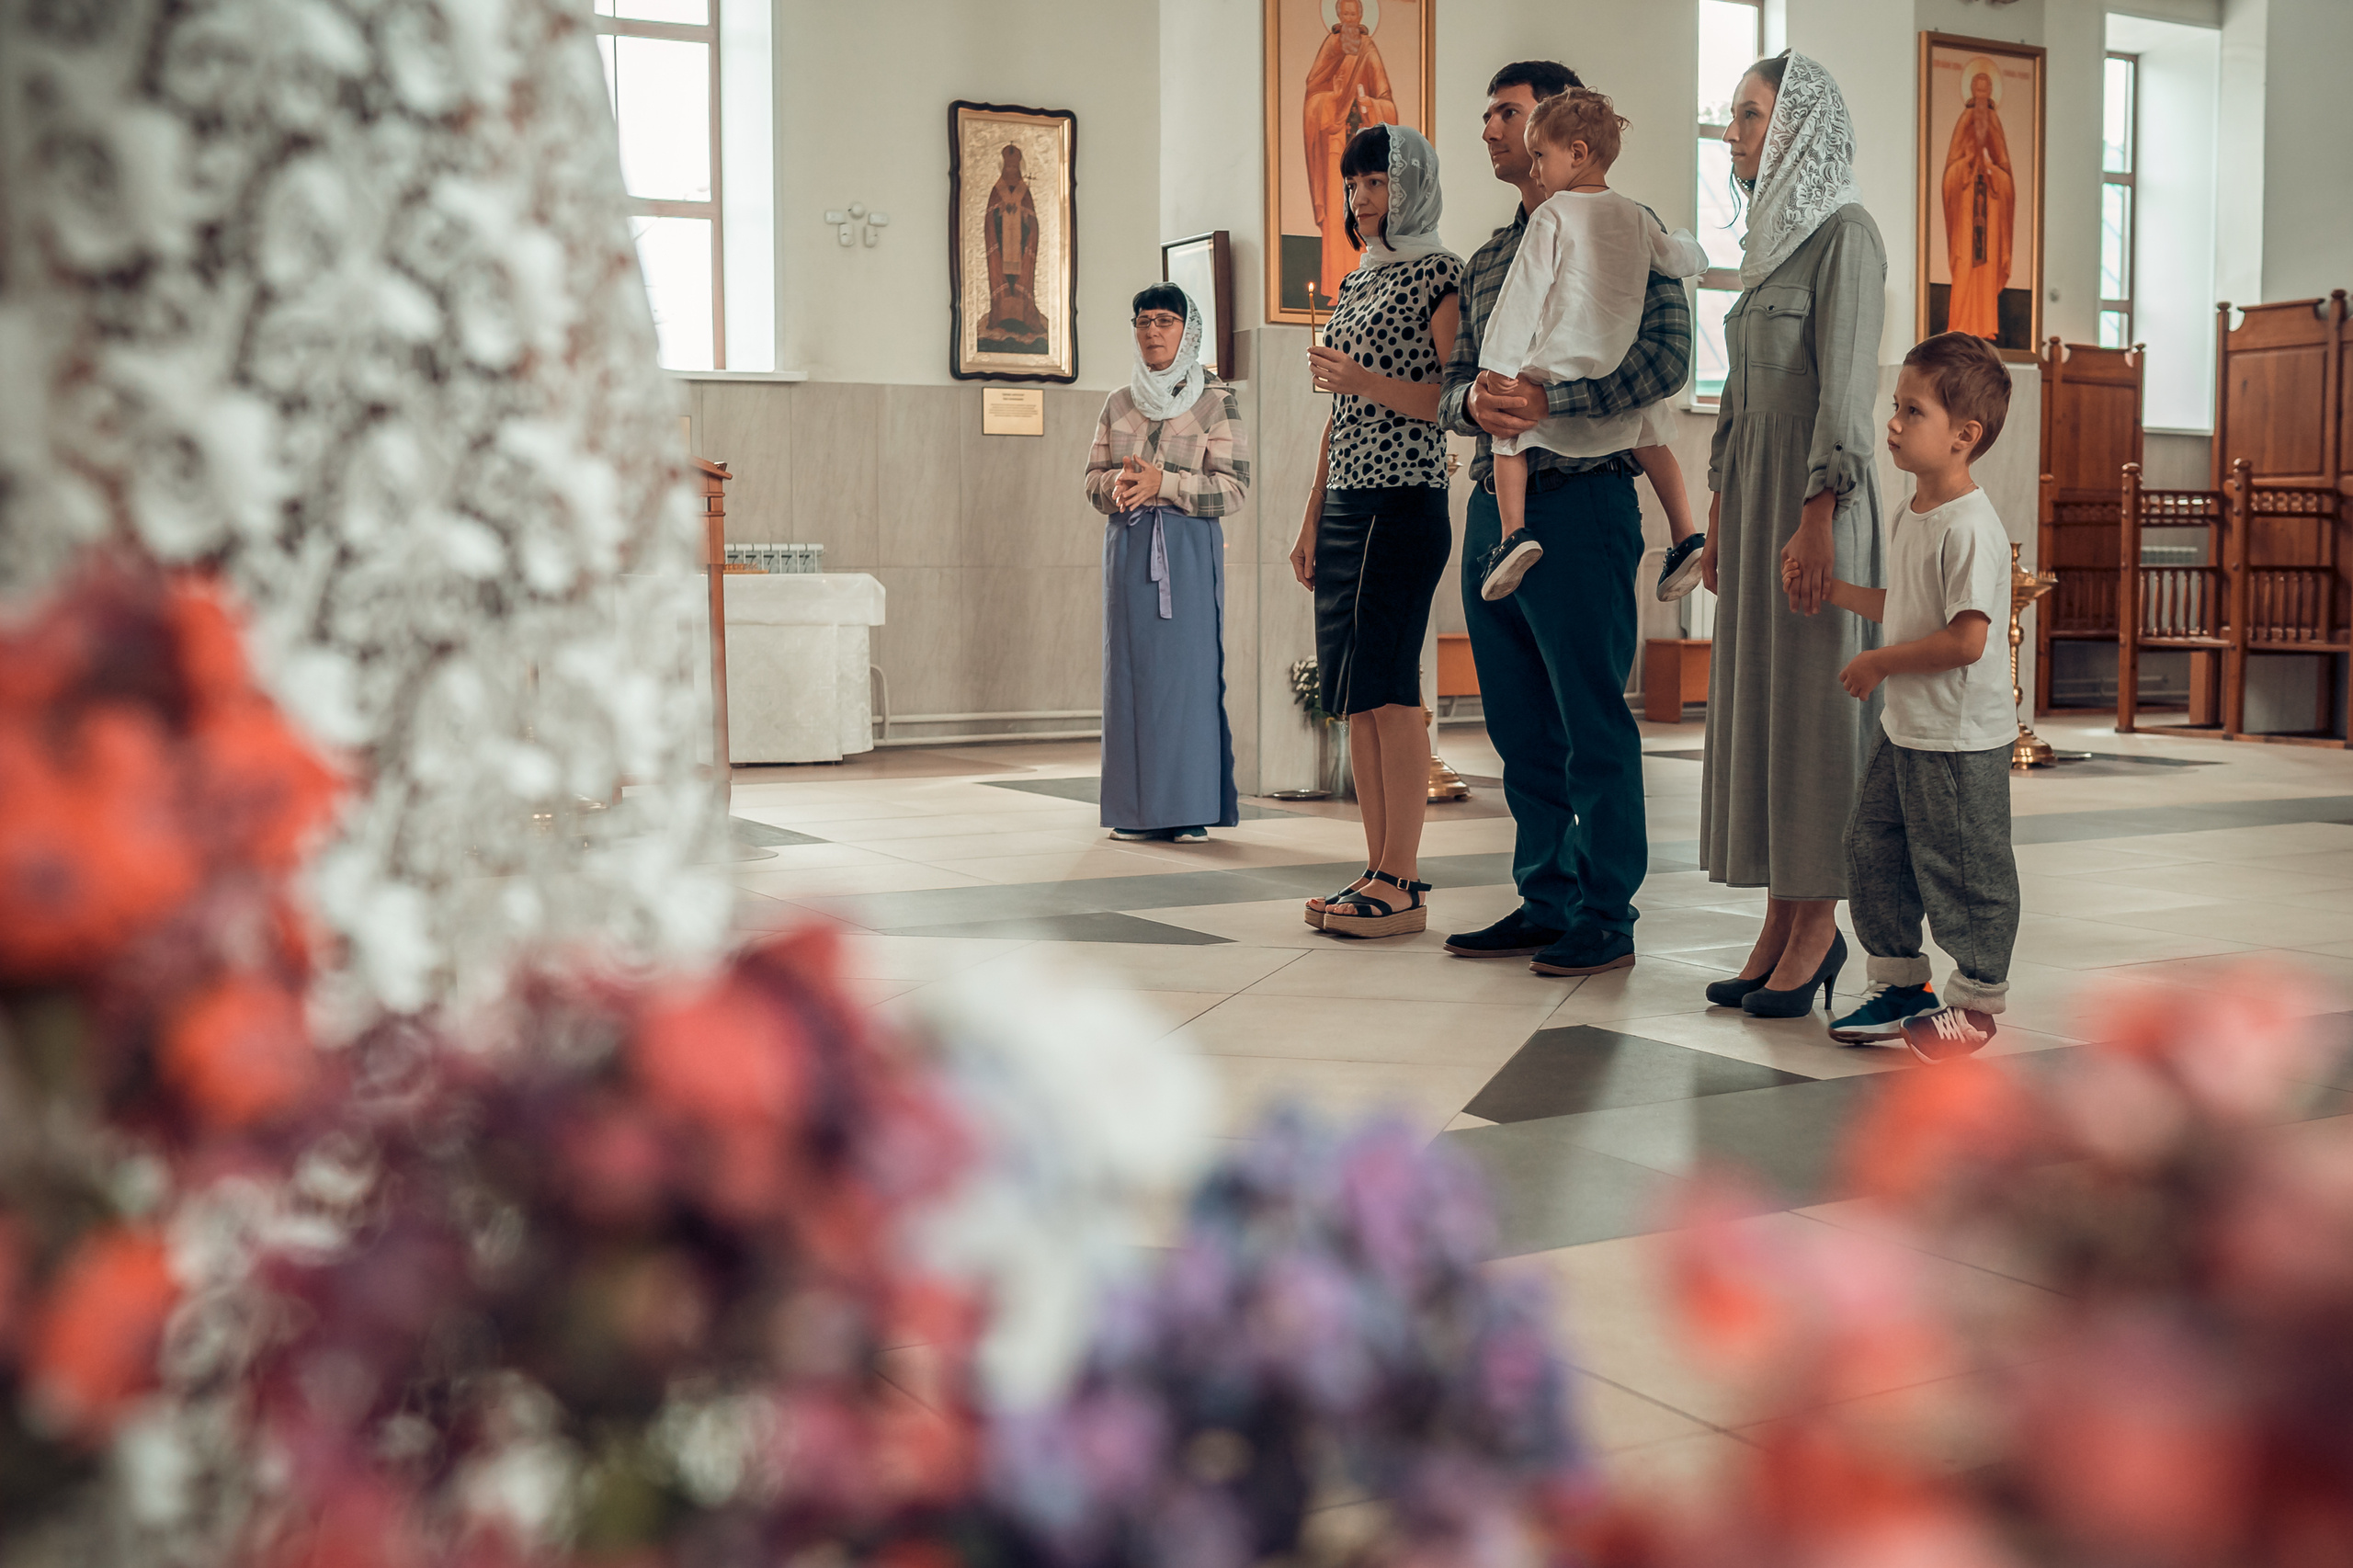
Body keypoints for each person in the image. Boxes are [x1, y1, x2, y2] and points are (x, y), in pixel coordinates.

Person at [1436, 61, 1694, 977]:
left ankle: (1605, 909)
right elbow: (1452, 384)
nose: (1490, 129)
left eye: (1508, 114)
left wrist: (1553, 396)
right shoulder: (1489, 258)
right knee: (1515, 721)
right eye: (1490, 113)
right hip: (1494, 503)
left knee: (1589, 718)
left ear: (1560, 136)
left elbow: (1668, 360)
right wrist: (1477, 407)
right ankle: (1545, 892)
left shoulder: (1631, 232)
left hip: (1583, 500)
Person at [1698, 51, 1889, 1019]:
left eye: (1749, 114)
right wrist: (1721, 518)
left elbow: (1846, 394)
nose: (1733, 132)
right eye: (1733, 116)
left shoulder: (1846, 235)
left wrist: (1818, 513)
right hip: (1760, 502)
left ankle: (1818, 928)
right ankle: (1779, 918)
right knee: (1767, 713)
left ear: (1799, 125)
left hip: (1818, 510)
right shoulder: (1771, 244)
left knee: (1817, 718)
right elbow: (1736, 402)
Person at [1794, 332, 2018, 1061]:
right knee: (1874, 848)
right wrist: (1833, 591)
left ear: (1964, 436)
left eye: (1911, 411)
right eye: (1895, 406)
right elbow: (1907, 602)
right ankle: (1899, 984)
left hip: (1958, 737)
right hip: (1908, 729)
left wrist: (1882, 661)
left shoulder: (1972, 527)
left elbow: (1965, 640)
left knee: (1963, 867)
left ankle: (1977, 1002)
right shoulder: (1914, 511)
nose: (1891, 423)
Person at [1289, 123, 1462, 939]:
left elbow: (1453, 403)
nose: (1360, 200)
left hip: (1405, 497)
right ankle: (1374, 866)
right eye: (1353, 185)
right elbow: (1339, 414)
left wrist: (1362, 377)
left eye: (1375, 183)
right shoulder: (1358, 280)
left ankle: (1405, 877)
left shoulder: (1440, 274)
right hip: (1349, 500)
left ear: (1413, 186)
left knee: (1391, 687)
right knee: (1352, 693)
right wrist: (1311, 516)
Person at [1472, 86, 1708, 604]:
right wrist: (1698, 249)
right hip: (1613, 359)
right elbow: (1675, 258)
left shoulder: (1551, 216)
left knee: (1508, 433)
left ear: (1576, 155)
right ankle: (1687, 533)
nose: (1535, 170)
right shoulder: (1637, 216)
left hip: (1559, 360)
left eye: (1540, 156)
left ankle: (1513, 535)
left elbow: (1522, 294)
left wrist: (1496, 366)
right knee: (1650, 432)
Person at [1085, 286, 1249, 843]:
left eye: (1166, 321)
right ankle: (1133, 811)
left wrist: (1167, 483)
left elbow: (1234, 489)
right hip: (1128, 546)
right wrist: (1117, 485)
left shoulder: (1214, 401)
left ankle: (1187, 808)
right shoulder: (1118, 402)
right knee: (1129, 678)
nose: (1153, 331)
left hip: (1185, 547)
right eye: (1144, 320)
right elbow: (1091, 480)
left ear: (1188, 331)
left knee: (1186, 680)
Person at [1302, 0, 1399, 313]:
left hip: (1362, 140)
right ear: (1338, 16)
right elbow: (1312, 94)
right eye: (1344, 14)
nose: (1349, 20)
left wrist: (1364, 101)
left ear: (1360, 16)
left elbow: (1386, 102)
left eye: (1354, 14)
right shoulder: (1331, 46)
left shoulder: (1368, 48)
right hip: (1335, 146)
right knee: (1338, 213)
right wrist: (1335, 100)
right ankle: (1334, 285)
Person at [1939, 62, 2014, 341]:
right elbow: (1949, 176)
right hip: (1965, 216)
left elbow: (2007, 177)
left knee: (1985, 270)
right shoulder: (1965, 121)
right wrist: (1969, 164)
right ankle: (1959, 325)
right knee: (1964, 266)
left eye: (1987, 92)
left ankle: (1985, 328)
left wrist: (1992, 172)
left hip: (1990, 215)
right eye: (1977, 91)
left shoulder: (1994, 124)